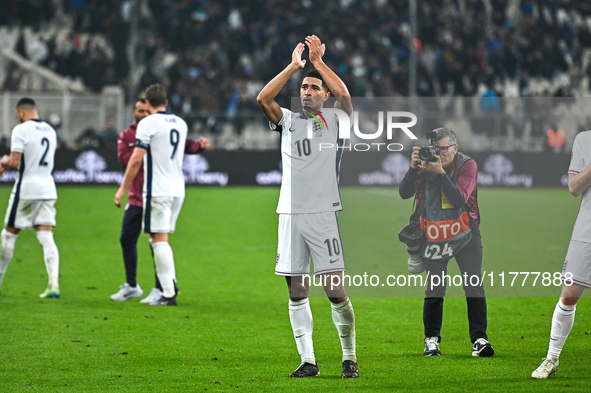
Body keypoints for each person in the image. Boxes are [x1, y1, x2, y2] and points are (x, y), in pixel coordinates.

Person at [256, 35, 358, 378]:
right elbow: (262, 97)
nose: (307, 91)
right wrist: (294, 67)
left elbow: (345, 96)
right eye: (304, 88)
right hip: (289, 215)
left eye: (314, 88)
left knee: (334, 290)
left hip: (323, 215)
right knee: (296, 290)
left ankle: (349, 358)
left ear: (323, 95)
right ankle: (308, 361)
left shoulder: (334, 121)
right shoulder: (287, 120)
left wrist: (318, 64)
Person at [399, 127, 494, 358]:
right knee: (435, 289)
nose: (438, 153)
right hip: (434, 236)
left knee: (473, 285)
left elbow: (459, 198)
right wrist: (413, 170)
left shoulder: (467, 165)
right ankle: (431, 341)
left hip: (466, 235)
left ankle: (479, 340)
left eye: (443, 149)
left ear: (455, 148)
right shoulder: (424, 165)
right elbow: (404, 193)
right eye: (435, 148)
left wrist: (440, 174)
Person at [111, 98, 209, 303]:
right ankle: (132, 285)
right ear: (133, 113)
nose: (143, 114)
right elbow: (125, 160)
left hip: (155, 193)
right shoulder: (128, 135)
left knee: (155, 240)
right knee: (127, 239)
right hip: (138, 196)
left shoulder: (158, 129)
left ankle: (161, 288)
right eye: (139, 111)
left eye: (145, 110)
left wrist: (198, 147)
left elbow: (184, 146)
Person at [114, 84, 187, 306]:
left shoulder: (147, 124)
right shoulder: (181, 123)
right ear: (166, 102)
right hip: (178, 190)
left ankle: (167, 293)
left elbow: (136, 159)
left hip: (158, 190)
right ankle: (169, 286)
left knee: (158, 240)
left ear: (147, 103)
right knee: (159, 238)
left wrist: (122, 188)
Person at [531, 130, 591, 378]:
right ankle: (552, 358)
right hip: (587, 230)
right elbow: (575, 187)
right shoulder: (584, 139)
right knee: (568, 295)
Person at [0, 98, 60, 298]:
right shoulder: (51, 131)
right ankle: (54, 285)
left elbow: (15, 162)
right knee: (46, 235)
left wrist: (3, 162)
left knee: (8, 234)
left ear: (22, 112)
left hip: (27, 188)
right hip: (48, 188)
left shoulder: (21, 130)